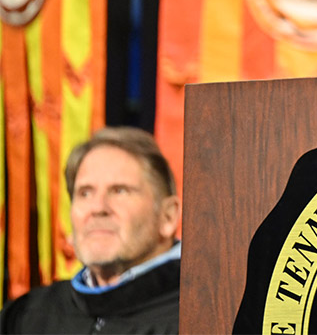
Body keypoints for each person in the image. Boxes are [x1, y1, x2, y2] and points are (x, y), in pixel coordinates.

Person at [0, 126, 182, 334]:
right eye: (85, 193)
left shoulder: (204, 318)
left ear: (168, 217)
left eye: (119, 191)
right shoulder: (27, 316)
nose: (98, 208)